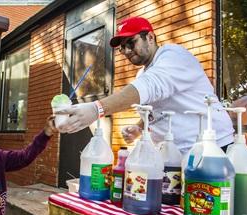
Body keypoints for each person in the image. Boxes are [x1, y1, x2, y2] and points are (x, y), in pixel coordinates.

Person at [57, 17, 234, 153]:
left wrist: (96, 109)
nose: (126, 51)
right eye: (122, 48)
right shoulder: (143, 72)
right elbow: (155, 110)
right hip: (174, 155)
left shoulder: (173, 55)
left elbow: (150, 86)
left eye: (131, 43)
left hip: (213, 149)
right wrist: (139, 128)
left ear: (149, 37)